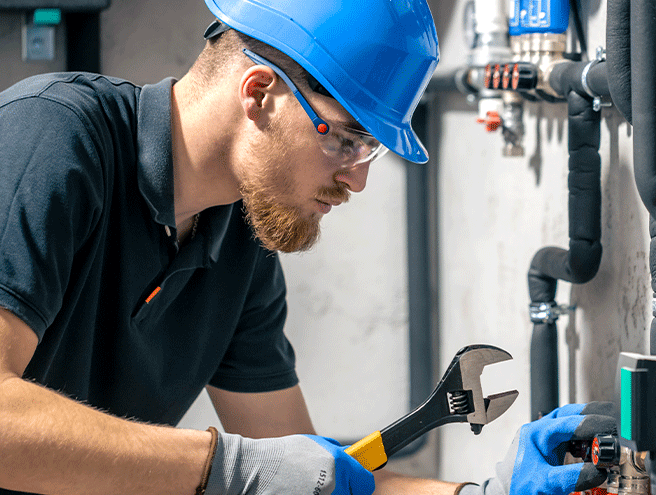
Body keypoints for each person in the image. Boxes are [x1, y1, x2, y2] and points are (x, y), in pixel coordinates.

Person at [0, 1, 616, 494]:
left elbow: (312, 480)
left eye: (369, 148)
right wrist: (226, 469)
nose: (359, 178)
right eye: (349, 138)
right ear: (259, 92)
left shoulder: (239, 243)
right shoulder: (51, 136)